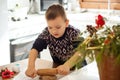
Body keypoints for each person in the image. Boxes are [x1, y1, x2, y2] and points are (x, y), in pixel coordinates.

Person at [25, 4, 86, 78]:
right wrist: (30, 66)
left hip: (79, 70)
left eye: (58, 27)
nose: (54, 31)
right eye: (50, 27)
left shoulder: (73, 32)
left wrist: (67, 65)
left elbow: (81, 51)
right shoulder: (47, 33)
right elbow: (35, 49)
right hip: (59, 70)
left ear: (66, 23)